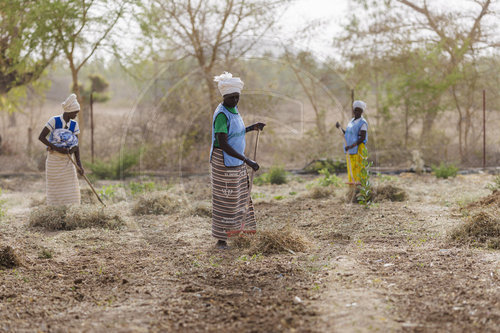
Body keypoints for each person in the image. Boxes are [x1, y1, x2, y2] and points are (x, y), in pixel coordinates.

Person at [210, 72, 265, 249]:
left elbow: (235, 133)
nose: (235, 100)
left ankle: (241, 233)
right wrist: (247, 160)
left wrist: (252, 127)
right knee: (226, 199)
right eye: (231, 97)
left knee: (240, 198)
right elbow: (224, 143)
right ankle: (222, 239)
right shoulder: (221, 114)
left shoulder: (233, 110)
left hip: (236, 162)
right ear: (224, 96)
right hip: (224, 161)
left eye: (237, 97)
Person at [38, 93, 84, 206]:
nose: (76, 115)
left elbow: (76, 146)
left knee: (71, 190)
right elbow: (41, 137)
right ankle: (55, 212)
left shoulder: (74, 125)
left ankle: (71, 210)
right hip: (54, 161)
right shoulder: (54, 120)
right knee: (55, 190)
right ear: (69, 111)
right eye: (75, 113)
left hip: (68, 162)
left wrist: (79, 165)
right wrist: (57, 148)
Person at [336, 100, 368, 184]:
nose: (357, 112)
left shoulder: (363, 123)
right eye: (355, 110)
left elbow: (362, 138)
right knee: (351, 167)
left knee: (358, 168)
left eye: (359, 110)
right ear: (353, 111)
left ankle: (360, 187)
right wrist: (339, 128)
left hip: (358, 149)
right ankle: (352, 186)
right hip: (350, 149)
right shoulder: (351, 121)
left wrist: (351, 146)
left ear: (362, 112)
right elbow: (347, 133)